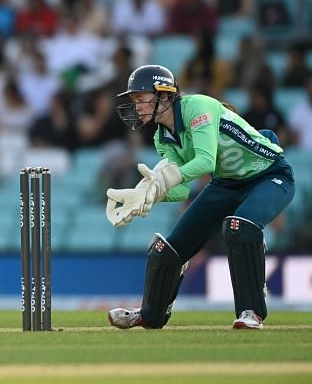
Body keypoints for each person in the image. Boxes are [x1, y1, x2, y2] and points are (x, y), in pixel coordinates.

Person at [106, 65, 295, 330]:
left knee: (239, 227)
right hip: (226, 184)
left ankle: (250, 311)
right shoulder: (163, 137)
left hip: (269, 174)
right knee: (167, 249)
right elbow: (182, 188)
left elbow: (205, 161)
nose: (136, 106)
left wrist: (168, 179)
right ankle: (150, 314)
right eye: (134, 100)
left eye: (141, 98)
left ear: (165, 94)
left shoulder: (198, 106)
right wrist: (149, 194)